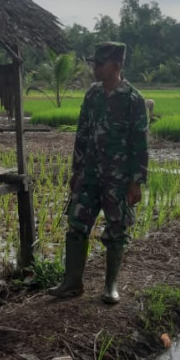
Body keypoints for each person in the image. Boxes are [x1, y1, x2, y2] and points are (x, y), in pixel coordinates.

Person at [48, 42, 148, 304]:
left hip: (118, 178)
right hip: (89, 174)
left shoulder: (133, 99)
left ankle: (110, 286)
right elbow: (81, 134)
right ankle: (72, 283)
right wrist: (76, 170)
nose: (95, 68)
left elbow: (140, 144)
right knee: (77, 223)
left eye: (100, 64)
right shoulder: (92, 95)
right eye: (94, 63)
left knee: (117, 229)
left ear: (116, 65)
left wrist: (136, 182)